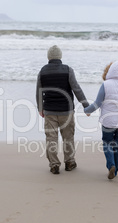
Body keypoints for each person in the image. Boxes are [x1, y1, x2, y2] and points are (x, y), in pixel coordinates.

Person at [36, 45, 89, 174]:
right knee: (68, 138)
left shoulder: (42, 71)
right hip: (67, 111)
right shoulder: (68, 70)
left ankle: (54, 164)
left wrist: (40, 108)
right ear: (60, 57)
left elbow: (38, 92)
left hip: (49, 111)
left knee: (51, 139)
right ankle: (70, 162)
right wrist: (86, 105)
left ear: (49, 57)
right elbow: (76, 89)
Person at [84, 61, 118, 180]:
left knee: (107, 143)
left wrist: (87, 110)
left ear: (109, 71)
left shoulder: (106, 84)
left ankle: (111, 165)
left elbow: (97, 103)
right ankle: (115, 171)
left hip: (108, 121)